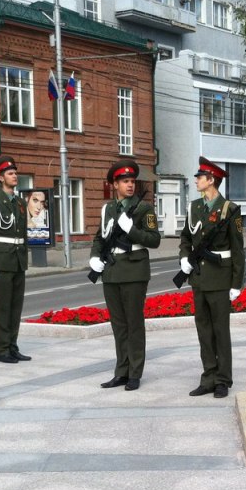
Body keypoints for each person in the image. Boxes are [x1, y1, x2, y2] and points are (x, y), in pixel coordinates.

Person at [89, 160, 161, 391]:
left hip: (134, 271)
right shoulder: (107, 209)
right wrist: (94, 256)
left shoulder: (143, 208)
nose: (130, 185)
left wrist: (131, 229)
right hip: (111, 271)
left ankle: (135, 373)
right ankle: (121, 371)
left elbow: (154, 240)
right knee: (119, 325)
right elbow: (100, 238)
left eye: (132, 181)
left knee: (134, 324)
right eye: (125, 181)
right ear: (115, 185)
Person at [179, 156, 245, 399]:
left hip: (219, 279)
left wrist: (236, 283)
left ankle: (223, 380)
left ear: (211, 180)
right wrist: (184, 257)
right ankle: (208, 377)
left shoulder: (230, 209)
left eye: (200, 177)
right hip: (199, 278)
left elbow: (237, 249)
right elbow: (186, 237)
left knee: (220, 331)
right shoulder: (194, 207)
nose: (196, 180)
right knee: (204, 331)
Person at [0, 155, 31, 364]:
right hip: (2, 262)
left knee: (15, 306)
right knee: (2, 307)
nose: (15, 176)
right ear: (1, 178)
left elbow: (23, 233)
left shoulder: (20, 202)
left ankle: (13, 346)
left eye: (15, 173)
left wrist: (24, 258)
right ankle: (2, 349)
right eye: (10, 173)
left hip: (18, 260)